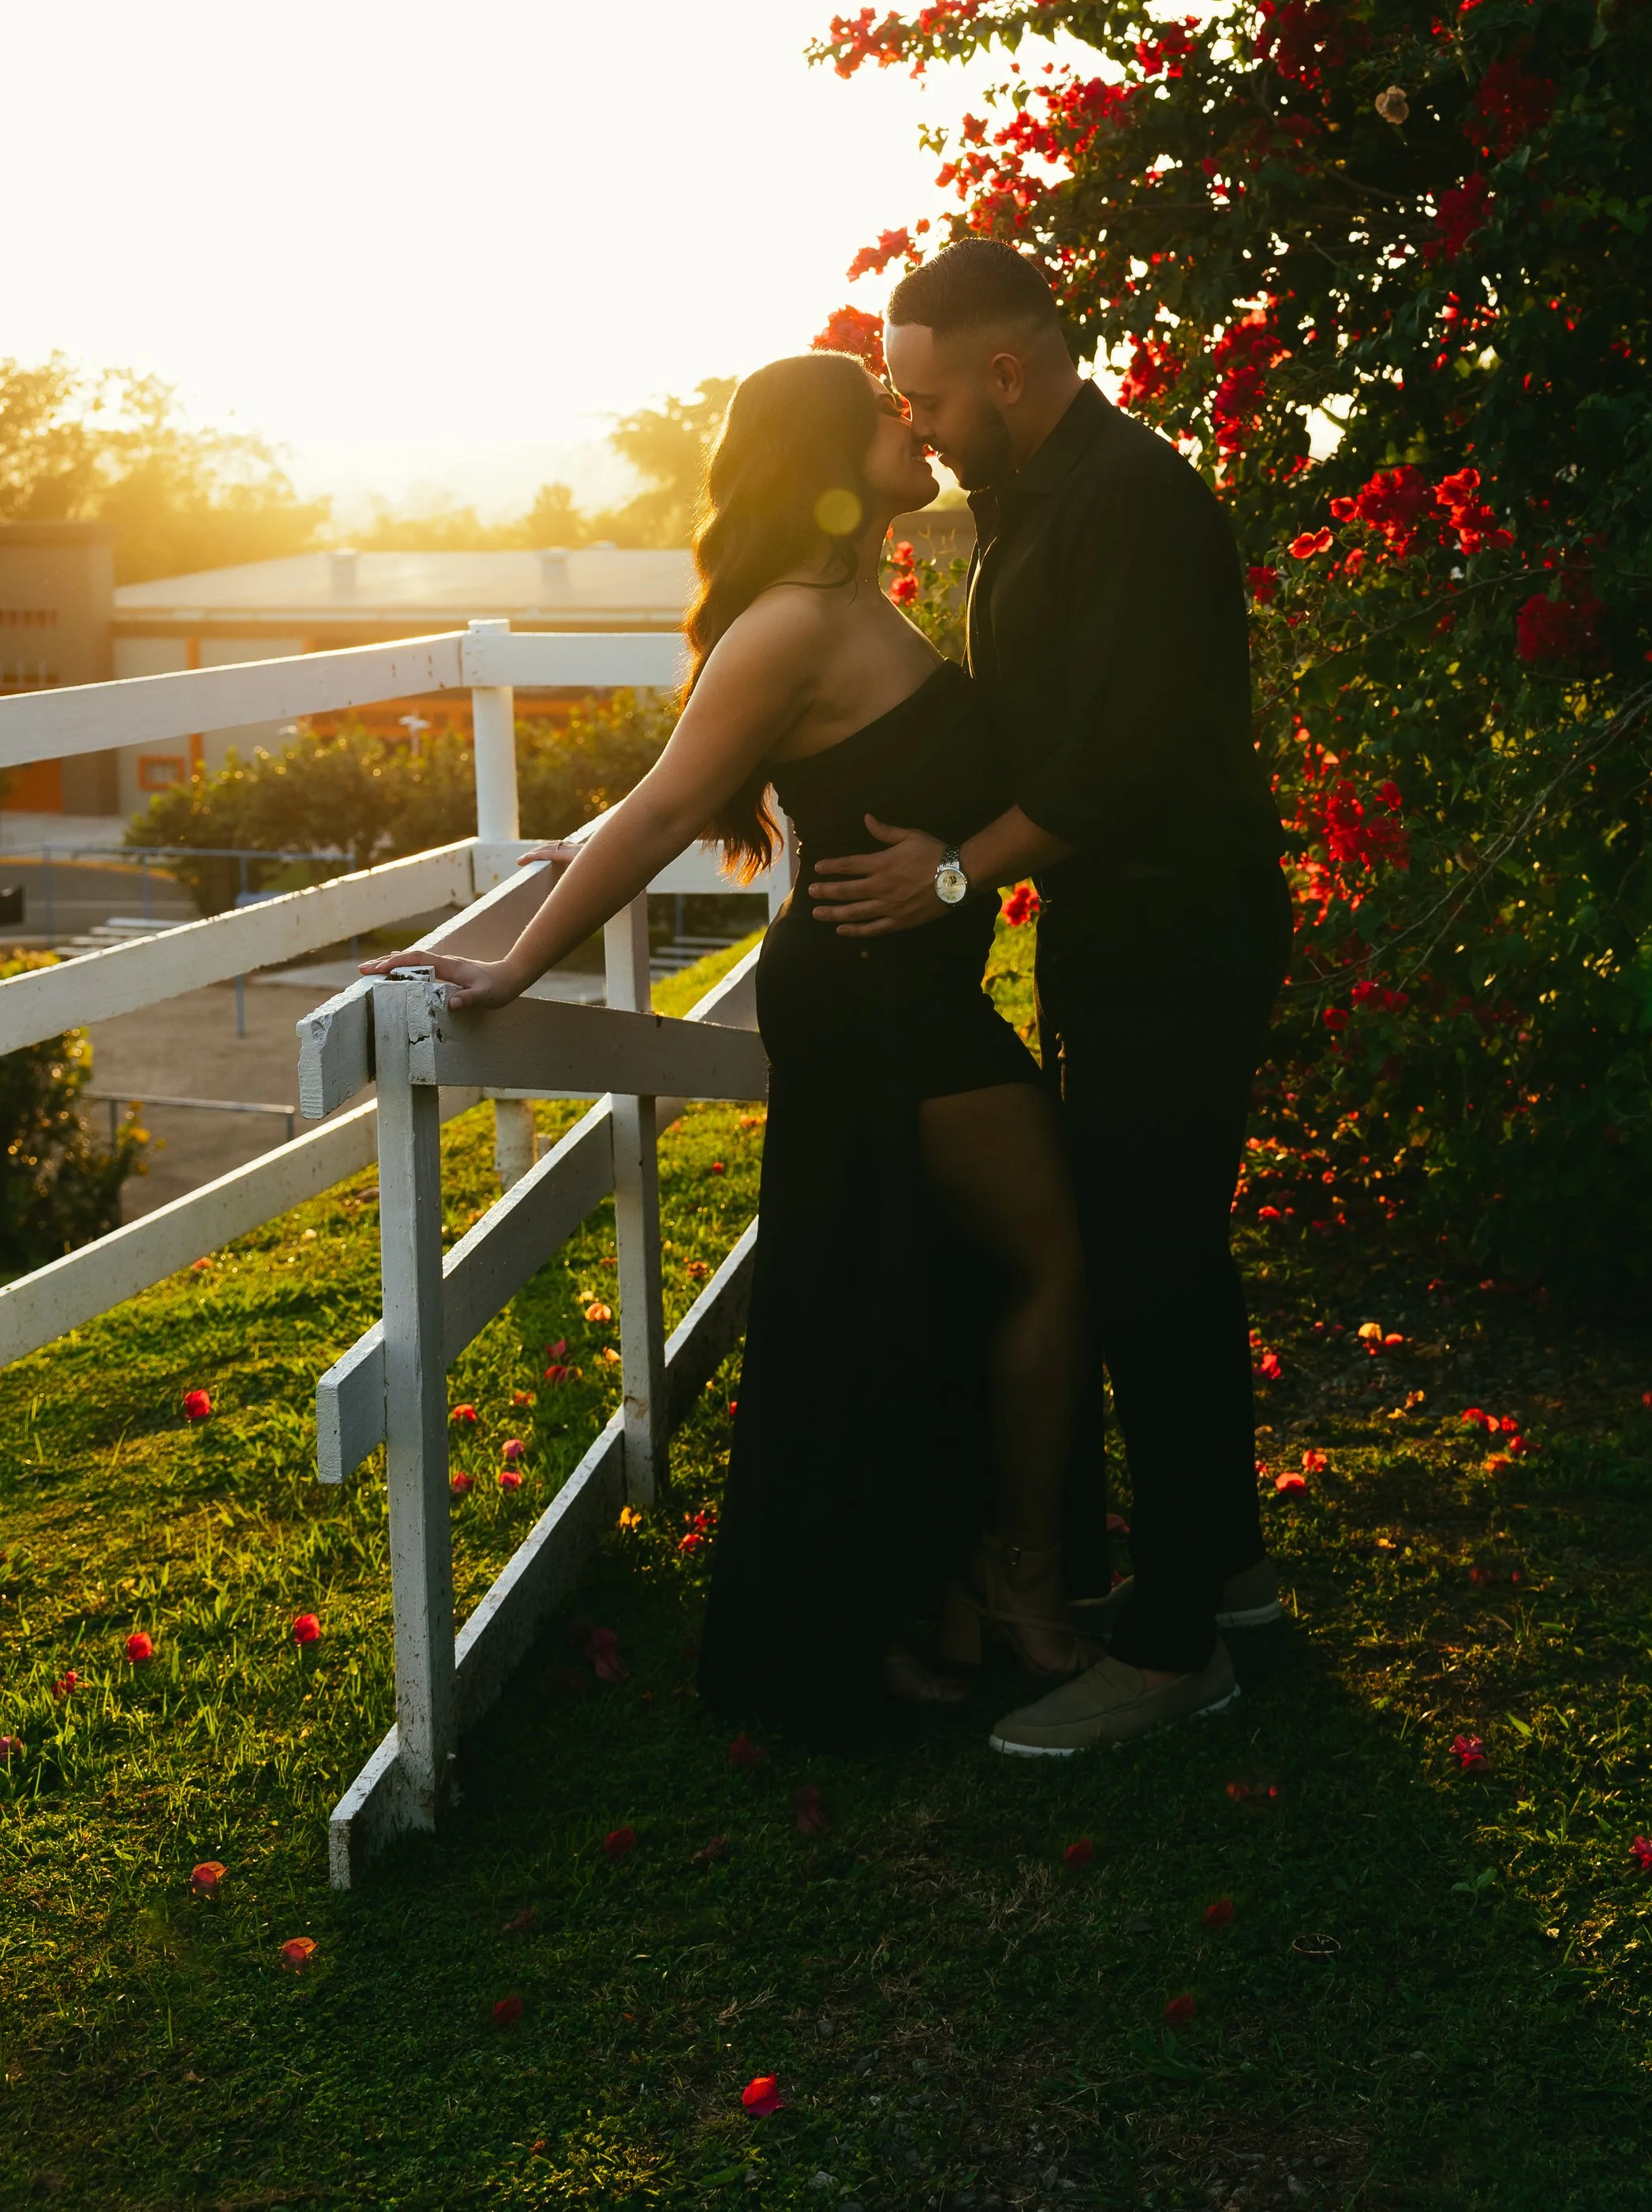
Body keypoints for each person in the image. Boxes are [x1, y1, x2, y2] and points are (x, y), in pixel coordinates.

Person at [361, 352, 1093, 1746]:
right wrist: (518, 960)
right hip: (876, 999)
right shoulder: (792, 625)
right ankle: (988, 1588)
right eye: (883, 403)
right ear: (827, 452)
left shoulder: (858, 600)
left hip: (913, 982)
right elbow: (659, 808)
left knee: (906, 1286)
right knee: (1025, 1260)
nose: (909, 416)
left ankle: (929, 1596)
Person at [808, 239, 1293, 1759]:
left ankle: (1167, 1655)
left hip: (1183, 935)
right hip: (1117, 937)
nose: (923, 423)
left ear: (1007, 370)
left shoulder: (1133, 501)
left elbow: (1112, 766)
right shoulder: (1029, 499)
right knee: (1169, 1259)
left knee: (1145, 1267)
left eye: (933, 394)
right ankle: (1234, 1574)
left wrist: (950, 878)